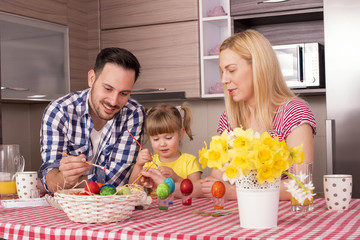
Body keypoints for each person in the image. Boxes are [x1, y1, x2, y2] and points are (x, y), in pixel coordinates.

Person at [200, 29, 316, 201]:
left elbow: (302, 185)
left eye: (231, 70)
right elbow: (218, 178)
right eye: (222, 72)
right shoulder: (230, 118)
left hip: (281, 218)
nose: (224, 80)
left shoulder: (293, 113)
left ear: (259, 68)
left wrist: (235, 192)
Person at [39, 47, 145, 193]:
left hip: (112, 208)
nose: (114, 101)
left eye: (124, 93)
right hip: (70, 209)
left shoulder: (133, 113)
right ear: (91, 79)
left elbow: (118, 179)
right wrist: (64, 179)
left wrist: (74, 181)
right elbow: (50, 179)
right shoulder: (59, 111)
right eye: (108, 89)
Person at [129, 103, 203, 198]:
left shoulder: (190, 161)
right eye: (156, 139)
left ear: (181, 134)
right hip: (157, 209)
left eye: (168, 138)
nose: (162, 144)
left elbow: (197, 191)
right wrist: (139, 165)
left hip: (184, 208)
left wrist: (176, 178)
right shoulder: (150, 162)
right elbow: (132, 189)